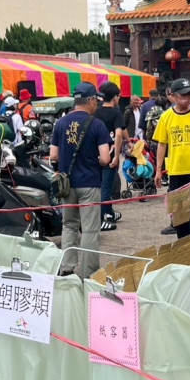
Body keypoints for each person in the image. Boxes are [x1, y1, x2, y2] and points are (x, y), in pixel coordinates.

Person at [50, 82, 112, 279]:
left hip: (67, 185)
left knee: (69, 225)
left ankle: (66, 268)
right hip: (90, 183)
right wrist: (95, 159)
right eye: (96, 101)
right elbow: (105, 159)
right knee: (90, 230)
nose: (97, 104)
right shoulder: (97, 125)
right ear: (91, 100)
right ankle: (88, 273)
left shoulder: (60, 123)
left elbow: (53, 155)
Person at [153, 78, 190, 239]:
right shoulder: (166, 117)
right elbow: (162, 144)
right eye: (182, 95)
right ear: (173, 96)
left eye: (188, 94)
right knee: (179, 210)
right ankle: (183, 244)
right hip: (176, 170)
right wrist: (158, 170)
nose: (186, 98)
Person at [94, 82, 125, 232]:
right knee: (106, 188)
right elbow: (118, 134)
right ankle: (101, 218)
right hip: (110, 154)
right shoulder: (116, 113)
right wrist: (117, 156)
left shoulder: (95, 111)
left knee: (100, 186)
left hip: (96, 155)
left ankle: (110, 212)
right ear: (115, 97)